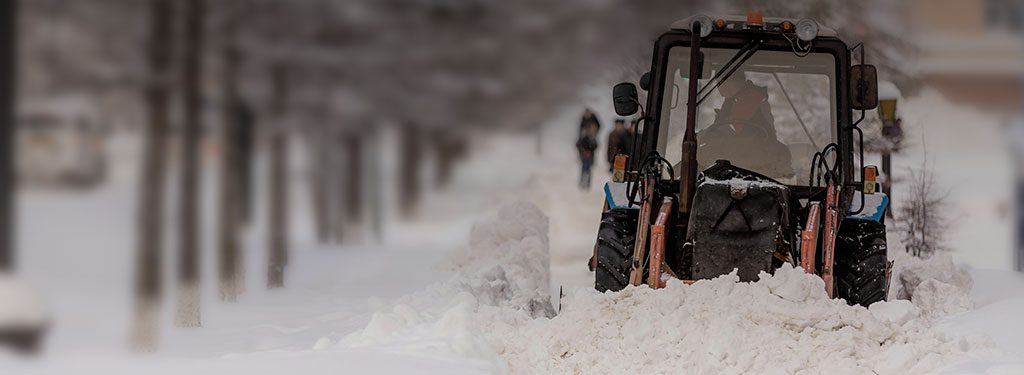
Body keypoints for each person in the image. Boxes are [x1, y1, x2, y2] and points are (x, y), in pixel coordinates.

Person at [698, 73, 793, 178]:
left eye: (721, 83)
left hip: (754, 155)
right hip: (742, 151)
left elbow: (733, 127)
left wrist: (704, 135)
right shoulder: (733, 98)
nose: (720, 88)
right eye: (718, 83)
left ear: (734, 81)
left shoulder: (751, 96)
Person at [576, 122, 598, 189]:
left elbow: (596, 146)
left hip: (590, 156)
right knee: (584, 169)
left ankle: (587, 183)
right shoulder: (583, 136)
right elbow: (578, 144)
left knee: (588, 169)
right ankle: (582, 182)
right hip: (584, 156)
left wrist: (590, 151)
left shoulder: (592, 138)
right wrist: (583, 151)